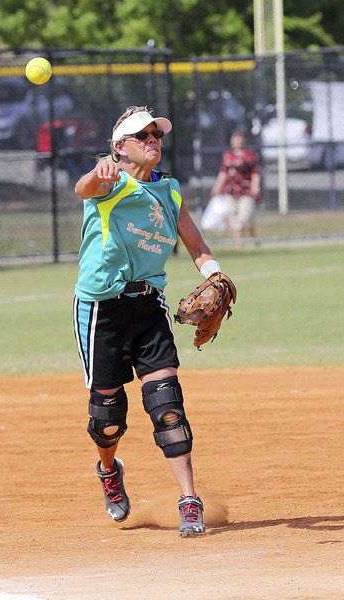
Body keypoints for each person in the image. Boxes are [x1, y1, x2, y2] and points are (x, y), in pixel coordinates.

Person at [72, 106, 234, 537]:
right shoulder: (110, 184)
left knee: (167, 406)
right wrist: (97, 174)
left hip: (148, 307)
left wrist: (213, 274)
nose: (153, 141)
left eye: (156, 135)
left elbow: (197, 246)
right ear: (120, 148)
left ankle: (189, 500)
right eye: (142, 136)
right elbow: (82, 188)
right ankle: (109, 471)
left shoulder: (170, 192)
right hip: (101, 310)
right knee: (107, 416)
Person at [208, 130, 261, 243]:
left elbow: (255, 172)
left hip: (245, 190)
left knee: (245, 216)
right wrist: (217, 187)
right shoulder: (228, 156)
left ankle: (252, 236)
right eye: (234, 138)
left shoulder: (249, 155)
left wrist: (255, 187)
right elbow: (223, 173)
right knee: (231, 215)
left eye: (239, 138)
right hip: (230, 191)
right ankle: (238, 241)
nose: (237, 141)